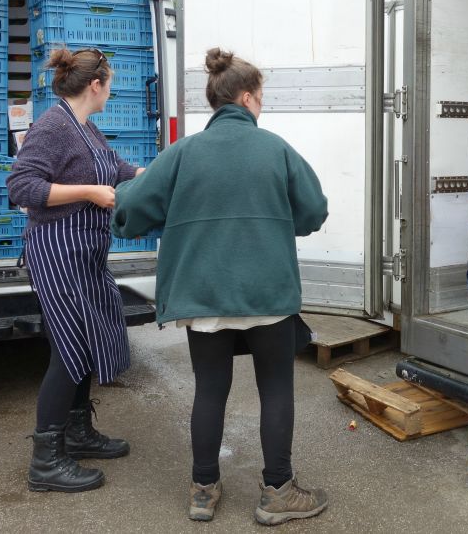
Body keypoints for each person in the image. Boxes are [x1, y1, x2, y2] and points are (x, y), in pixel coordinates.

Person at [112, 47, 329, 525]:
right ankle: (277, 493)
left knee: (210, 389)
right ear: (248, 98)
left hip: (203, 296)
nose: (263, 105)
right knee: (276, 389)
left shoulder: (182, 153)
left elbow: (128, 215)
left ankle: (203, 491)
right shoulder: (276, 149)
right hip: (268, 298)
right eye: (262, 97)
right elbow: (313, 212)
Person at [7, 48, 144, 493]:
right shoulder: (52, 125)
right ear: (95, 84)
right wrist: (89, 191)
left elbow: (115, 169)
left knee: (86, 344)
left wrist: (156, 174)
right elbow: (21, 186)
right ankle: (45, 461)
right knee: (69, 349)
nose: (112, 90)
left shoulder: (84, 126)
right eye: (111, 82)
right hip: (57, 252)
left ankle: (77, 433)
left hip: (86, 254)